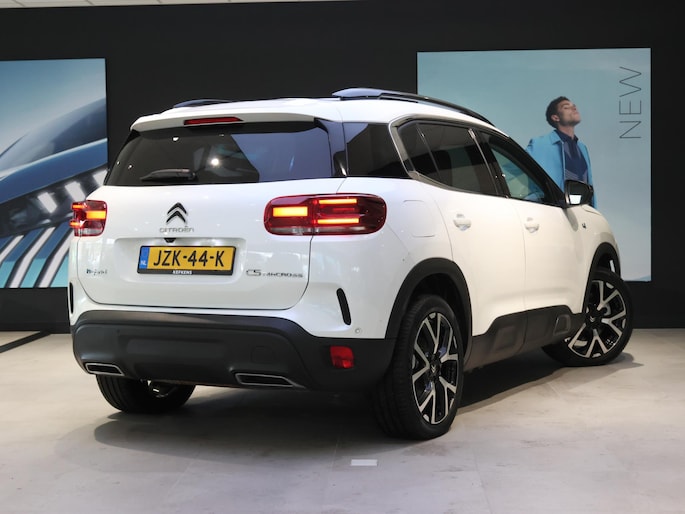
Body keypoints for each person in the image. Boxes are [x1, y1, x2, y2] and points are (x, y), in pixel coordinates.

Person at [526, 96, 595, 206]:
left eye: (574, 106)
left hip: (581, 211)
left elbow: (588, 184)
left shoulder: (582, 148)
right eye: (566, 107)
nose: (574, 108)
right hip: (552, 210)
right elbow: (516, 170)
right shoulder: (539, 144)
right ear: (555, 117)